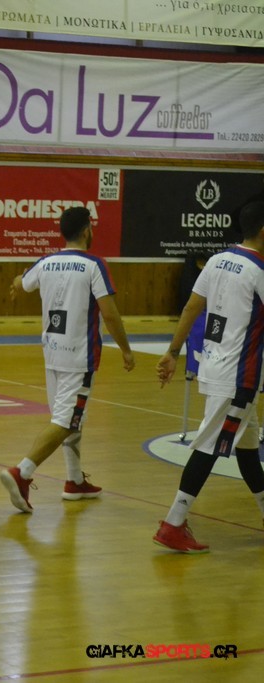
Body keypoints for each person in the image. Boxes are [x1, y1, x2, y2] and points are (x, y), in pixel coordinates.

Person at [0, 206, 135, 513]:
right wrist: (126, 349)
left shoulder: (46, 262)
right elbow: (110, 313)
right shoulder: (93, 265)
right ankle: (22, 472)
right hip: (79, 357)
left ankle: (74, 480)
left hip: (52, 354)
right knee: (65, 421)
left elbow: (23, 282)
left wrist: (15, 282)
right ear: (87, 230)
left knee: (71, 419)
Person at [153, 201, 264, 553]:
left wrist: (173, 351)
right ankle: (173, 523)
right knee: (208, 447)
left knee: (247, 447)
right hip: (239, 378)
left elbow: (191, 307)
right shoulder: (259, 271)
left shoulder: (217, 260)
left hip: (215, 367)